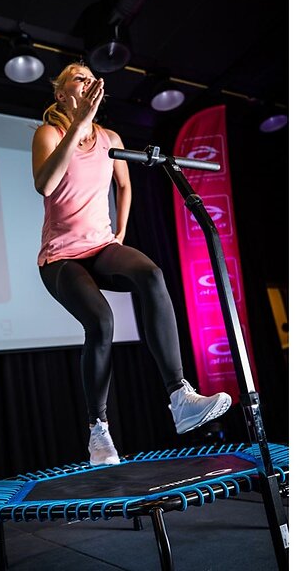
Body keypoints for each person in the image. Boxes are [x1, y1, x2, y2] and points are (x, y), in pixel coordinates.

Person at [32, 62, 231, 466]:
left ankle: (179, 397)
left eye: (91, 77)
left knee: (152, 275)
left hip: (101, 246)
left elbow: (124, 184)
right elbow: (45, 184)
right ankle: (98, 431)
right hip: (61, 258)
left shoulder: (110, 138)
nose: (88, 81)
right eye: (78, 77)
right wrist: (78, 125)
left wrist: (120, 231)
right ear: (62, 94)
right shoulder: (49, 133)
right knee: (102, 322)